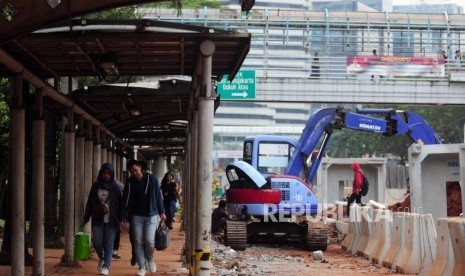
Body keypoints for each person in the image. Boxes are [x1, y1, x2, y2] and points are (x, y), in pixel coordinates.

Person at [122, 159, 166, 276]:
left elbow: (158, 197)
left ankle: (150, 259)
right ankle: (142, 266)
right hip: (136, 216)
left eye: (136, 170)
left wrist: (161, 212)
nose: (134, 173)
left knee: (149, 241)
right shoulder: (130, 182)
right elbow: (125, 201)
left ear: (140, 167)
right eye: (132, 172)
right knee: (137, 242)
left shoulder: (152, 179)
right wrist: (123, 218)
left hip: (151, 215)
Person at [82, 163, 123, 275]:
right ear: (101, 173)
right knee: (97, 242)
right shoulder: (96, 186)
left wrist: (121, 219)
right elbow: (90, 203)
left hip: (112, 220)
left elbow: (120, 204)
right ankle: (103, 256)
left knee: (109, 243)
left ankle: (106, 266)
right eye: (104, 173)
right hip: (98, 219)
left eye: (109, 173)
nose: (106, 176)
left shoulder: (116, 187)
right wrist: (86, 217)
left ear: (112, 174)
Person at [112, 179, 124, 259]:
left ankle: (114, 251)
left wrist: (122, 218)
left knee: (116, 232)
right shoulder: (98, 185)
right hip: (103, 214)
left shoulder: (117, 185)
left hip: (116, 212)